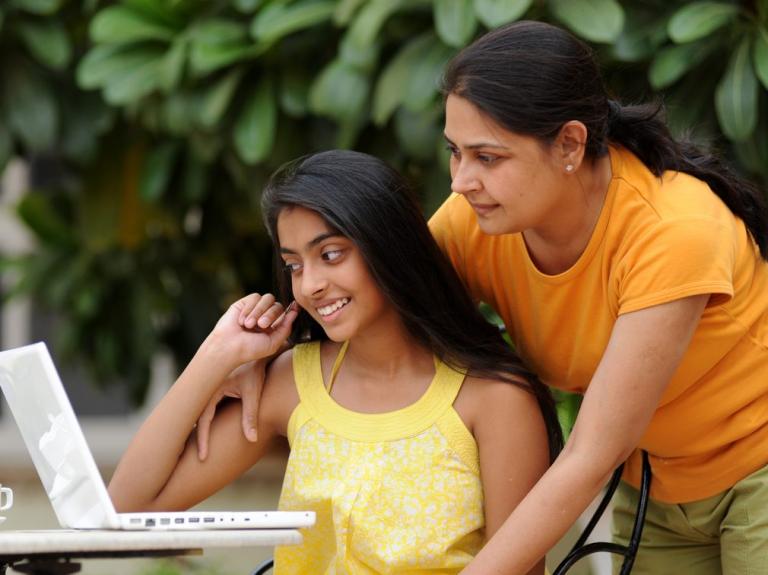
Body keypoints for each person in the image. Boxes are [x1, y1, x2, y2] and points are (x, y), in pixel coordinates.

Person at [108, 150, 562, 574]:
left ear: (388, 246)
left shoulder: (494, 398)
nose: (310, 286)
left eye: (330, 255)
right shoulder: (293, 382)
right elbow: (127, 509)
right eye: (294, 265)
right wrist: (215, 356)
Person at [429, 19, 768, 575]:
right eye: (454, 152)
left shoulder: (672, 229)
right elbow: (376, 307)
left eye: (487, 157)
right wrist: (239, 356)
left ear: (569, 144)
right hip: (658, 490)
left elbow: (591, 453)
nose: (460, 181)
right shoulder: (476, 218)